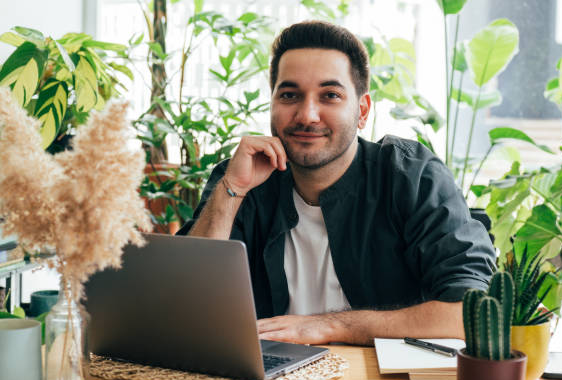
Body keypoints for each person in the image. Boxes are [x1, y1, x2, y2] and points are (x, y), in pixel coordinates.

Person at [177, 20, 495, 345]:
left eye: (329, 95)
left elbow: (471, 314)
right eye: (289, 95)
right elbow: (183, 307)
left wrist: (330, 327)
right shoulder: (240, 177)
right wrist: (232, 192)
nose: (307, 115)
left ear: (362, 111)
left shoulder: (410, 175)